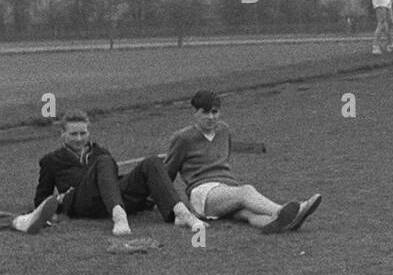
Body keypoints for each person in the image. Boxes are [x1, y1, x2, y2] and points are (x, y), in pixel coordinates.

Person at [13, 110, 205, 236]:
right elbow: (41, 199)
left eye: (83, 133)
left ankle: (179, 213)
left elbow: (111, 182)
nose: (79, 138)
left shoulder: (100, 151)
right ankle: (119, 218)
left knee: (152, 161)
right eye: (73, 134)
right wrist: (58, 203)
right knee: (104, 162)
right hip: (82, 203)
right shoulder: (51, 160)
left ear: (88, 132)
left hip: (112, 198)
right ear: (62, 134)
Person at [165, 90, 320, 234]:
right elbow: (166, 173)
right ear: (195, 113)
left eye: (215, 112)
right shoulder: (182, 138)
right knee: (246, 191)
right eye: (205, 112)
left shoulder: (223, 130)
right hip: (203, 193)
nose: (211, 117)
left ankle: (281, 224)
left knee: (249, 214)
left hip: (227, 188)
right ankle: (287, 211)